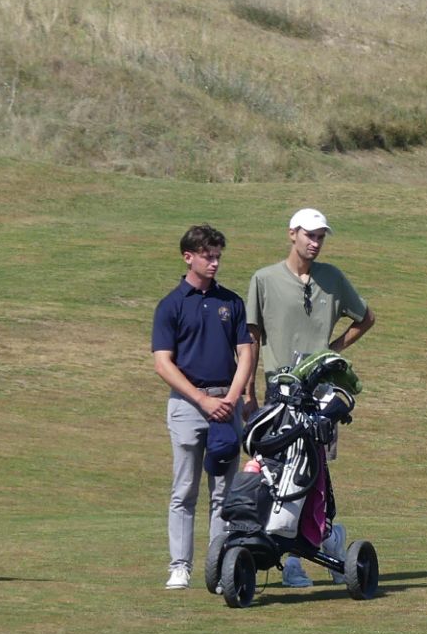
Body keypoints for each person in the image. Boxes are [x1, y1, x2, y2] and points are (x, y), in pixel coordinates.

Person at [245, 207, 376, 587]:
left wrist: (331, 352)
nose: (315, 243)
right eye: (309, 235)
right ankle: (315, 545)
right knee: (278, 471)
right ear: (292, 234)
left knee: (313, 472)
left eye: (320, 237)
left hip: (320, 393)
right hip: (278, 391)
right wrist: (248, 392)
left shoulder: (332, 278)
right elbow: (251, 338)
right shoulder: (264, 279)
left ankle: (302, 554)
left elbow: (365, 318)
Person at [151, 225, 256, 590]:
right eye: (208, 256)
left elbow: (246, 354)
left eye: (217, 257)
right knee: (184, 491)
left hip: (226, 405)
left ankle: (221, 566)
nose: (214, 263)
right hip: (187, 406)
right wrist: (201, 399)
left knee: (224, 494)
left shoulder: (232, 302)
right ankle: (180, 566)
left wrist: (231, 398)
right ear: (188, 257)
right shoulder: (171, 305)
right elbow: (163, 363)